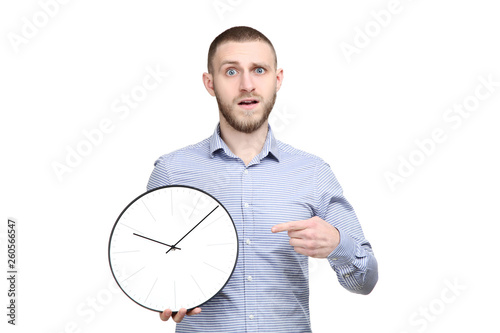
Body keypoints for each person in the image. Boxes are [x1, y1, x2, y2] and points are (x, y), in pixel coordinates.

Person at [147, 26, 378, 333]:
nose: (247, 85)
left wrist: (338, 243)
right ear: (210, 83)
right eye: (231, 72)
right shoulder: (172, 171)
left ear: (277, 79)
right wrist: (164, 293)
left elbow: (366, 281)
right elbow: (149, 265)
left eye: (259, 70)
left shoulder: (313, 173)